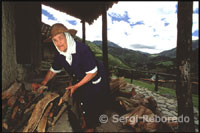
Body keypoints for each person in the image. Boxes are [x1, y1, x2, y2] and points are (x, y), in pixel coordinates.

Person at [32, 23, 109, 132]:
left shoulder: (82, 50)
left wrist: (75, 86)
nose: (59, 43)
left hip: (94, 78)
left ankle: (90, 127)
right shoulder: (60, 55)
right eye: (55, 40)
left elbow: (92, 73)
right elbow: (53, 70)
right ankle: (84, 120)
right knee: (80, 100)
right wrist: (43, 83)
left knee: (91, 103)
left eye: (60, 38)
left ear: (67, 37)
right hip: (80, 78)